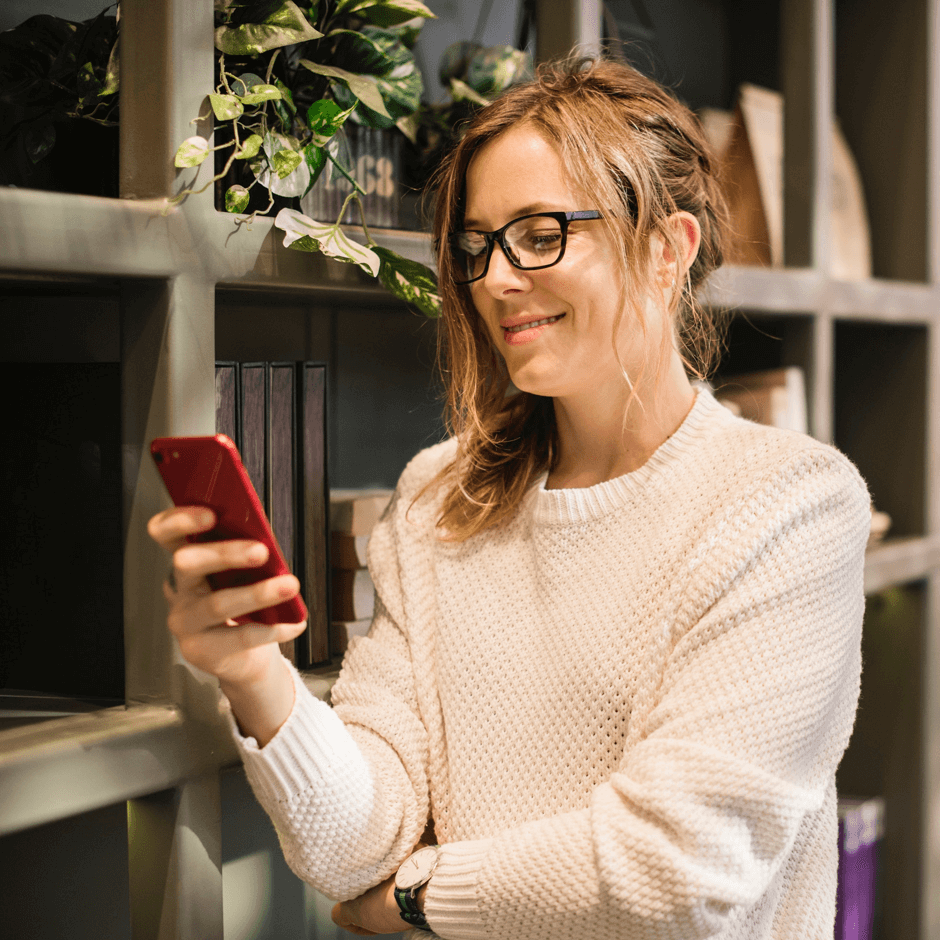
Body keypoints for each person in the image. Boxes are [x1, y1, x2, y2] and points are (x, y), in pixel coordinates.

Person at [148, 56, 871, 939]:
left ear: (667, 249)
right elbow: (355, 848)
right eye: (479, 244)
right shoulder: (435, 501)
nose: (494, 279)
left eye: (540, 234)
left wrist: (417, 901)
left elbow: (679, 873)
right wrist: (255, 674)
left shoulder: (789, 504)